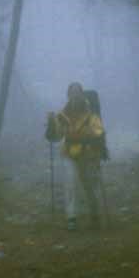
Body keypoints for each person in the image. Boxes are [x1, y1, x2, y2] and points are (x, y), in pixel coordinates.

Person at [46, 81, 107, 231]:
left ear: (82, 94)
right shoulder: (62, 115)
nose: (75, 95)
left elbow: (98, 132)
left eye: (77, 92)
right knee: (70, 183)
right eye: (72, 93)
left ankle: (95, 214)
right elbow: (56, 136)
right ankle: (71, 218)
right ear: (68, 95)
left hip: (88, 154)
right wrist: (51, 125)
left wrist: (87, 139)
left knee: (90, 185)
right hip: (69, 154)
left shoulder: (91, 113)